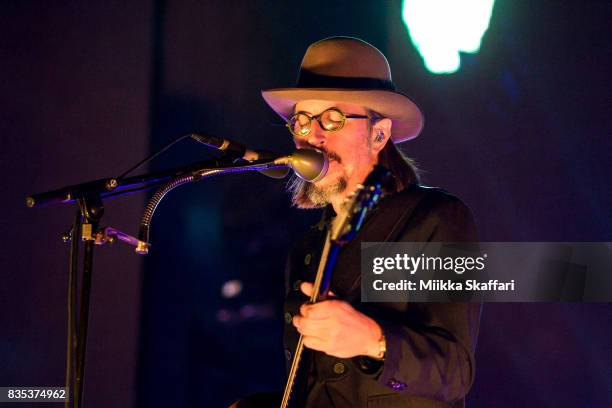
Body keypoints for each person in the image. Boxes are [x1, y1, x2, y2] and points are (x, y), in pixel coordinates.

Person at [234, 36, 481, 408]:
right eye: (302, 122)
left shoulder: (433, 218)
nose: (311, 136)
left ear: (378, 134)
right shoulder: (307, 248)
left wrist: (373, 340)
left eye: (332, 119)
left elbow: (455, 373)